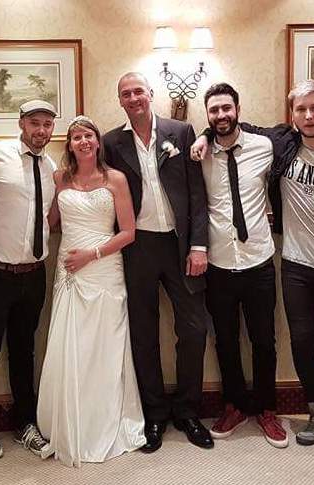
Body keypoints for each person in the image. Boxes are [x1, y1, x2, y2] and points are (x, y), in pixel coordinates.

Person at [191, 79, 314, 454]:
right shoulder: (283, 144)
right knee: (299, 343)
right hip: (295, 265)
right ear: (292, 114)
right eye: (301, 109)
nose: (308, 115)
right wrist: (204, 133)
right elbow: (228, 127)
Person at [103, 72, 212, 452]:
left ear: (151, 94)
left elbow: (198, 193)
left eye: (138, 91)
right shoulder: (110, 142)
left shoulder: (181, 132)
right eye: (125, 93)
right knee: (143, 333)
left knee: (194, 329)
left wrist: (199, 245)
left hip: (180, 246)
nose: (133, 98)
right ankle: (154, 415)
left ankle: (187, 410)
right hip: (138, 247)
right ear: (120, 101)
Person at [36, 116, 145, 467]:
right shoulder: (59, 179)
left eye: (88, 135)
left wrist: (92, 254)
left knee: (105, 346)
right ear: (68, 145)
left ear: (98, 142)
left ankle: (106, 421)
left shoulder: (115, 179)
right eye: (76, 137)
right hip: (70, 274)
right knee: (74, 346)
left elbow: (128, 232)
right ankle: (71, 421)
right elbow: (48, 223)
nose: (82, 141)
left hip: (104, 268)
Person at [0, 100, 58, 460]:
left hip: (34, 275)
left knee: (24, 351)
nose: (41, 130)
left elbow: (48, 216)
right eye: (34, 123)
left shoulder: (51, 167)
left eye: (47, 124)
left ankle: (25, 424)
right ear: (21, 123)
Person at [200, 83, 287, 448]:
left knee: (264, 341)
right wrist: (203, 137)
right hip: (218, 264)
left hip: (258, 262)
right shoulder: (199, 153)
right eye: (214, 111)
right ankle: (233, 404)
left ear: (238, 109)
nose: (221, 116)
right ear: (207, 115)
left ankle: (267, 408)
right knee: (225, 341)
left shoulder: (263, 146)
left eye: (226, 108)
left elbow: (290, 134)